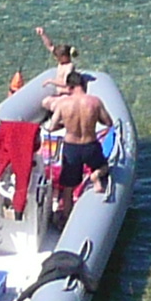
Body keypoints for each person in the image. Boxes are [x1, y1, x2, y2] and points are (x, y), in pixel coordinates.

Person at [43, 62, 113, 205]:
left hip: (71, 147)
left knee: (68, 188)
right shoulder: (94, 102)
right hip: (90, 145)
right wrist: (93, 119)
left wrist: (66, 124)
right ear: (83, 84)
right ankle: (95, 175)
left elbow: (51, 127)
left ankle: (66, 217)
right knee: (104, 166)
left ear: (69, 87)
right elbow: (108, 122)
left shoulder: (63, 104)